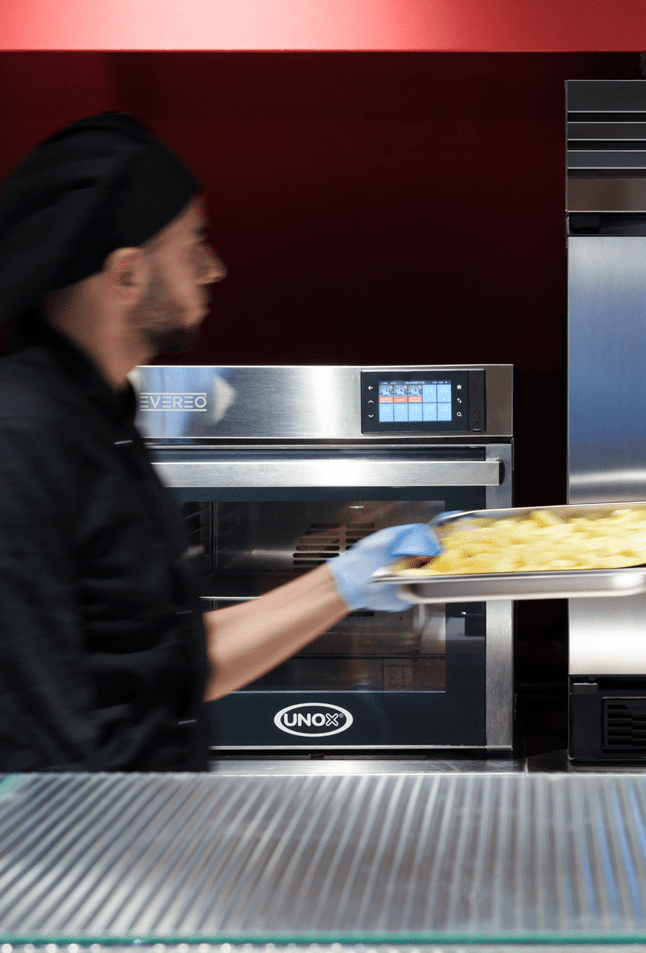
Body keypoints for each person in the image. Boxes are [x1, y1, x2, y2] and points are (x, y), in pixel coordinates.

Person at [0, 113, 439, 772]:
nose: (215, 268)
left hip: (146, 829)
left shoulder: (104, 419)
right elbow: (38, 735)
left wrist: (348, 582)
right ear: (126, 274)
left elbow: (172, 664)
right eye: (193, 243)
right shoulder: (21, 437)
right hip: (85, 853)